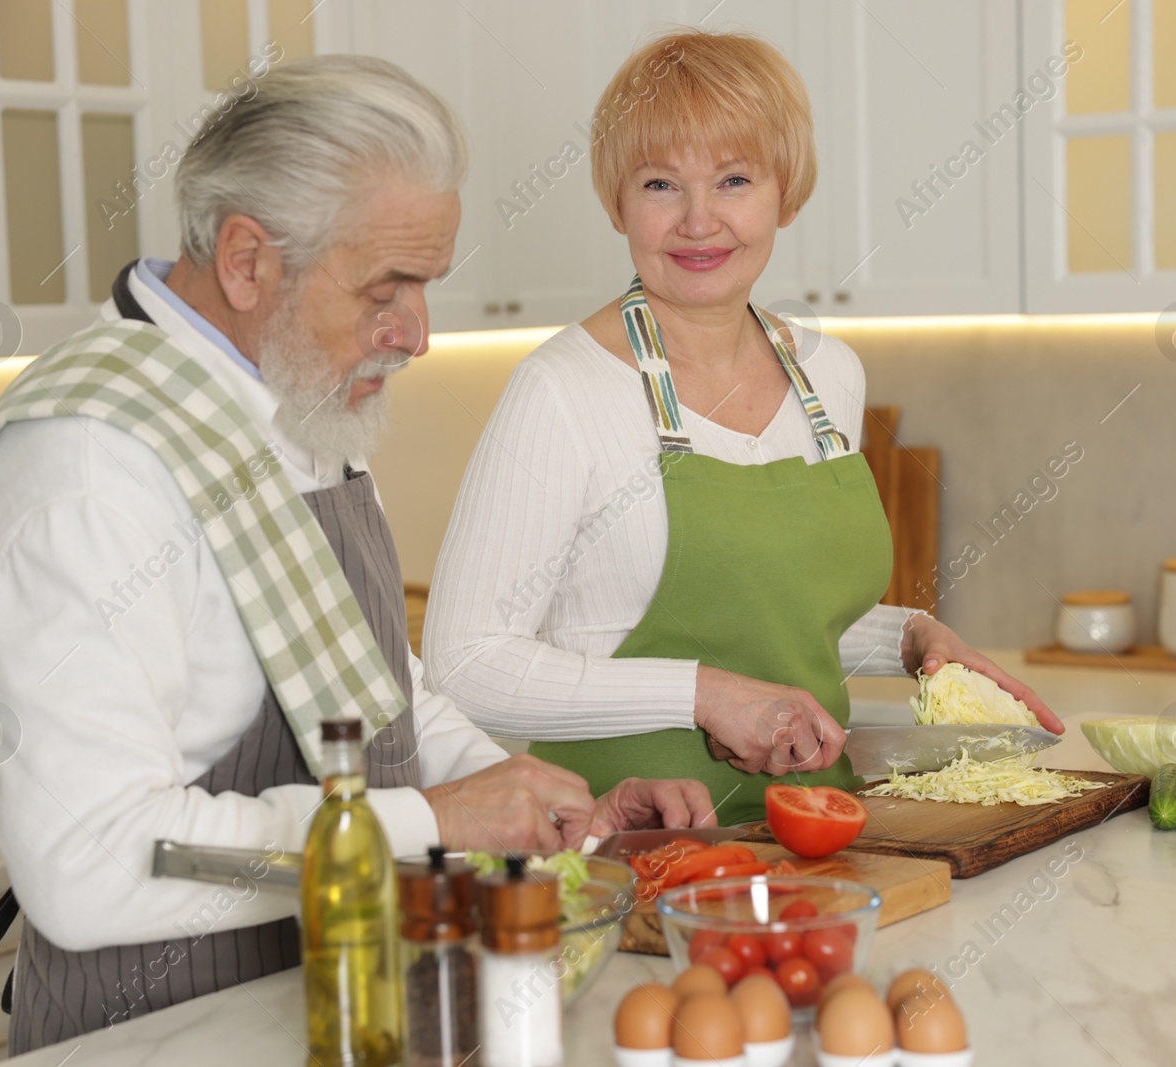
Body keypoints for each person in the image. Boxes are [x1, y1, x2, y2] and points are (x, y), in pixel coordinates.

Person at [0, 56, 711, 1053]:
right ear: (247, 260)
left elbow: (368, 687)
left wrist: (526, 797)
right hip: (164, 1034)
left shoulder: (294, 401)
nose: (416, 333)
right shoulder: (84, 466)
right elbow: (90, 866)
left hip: (338, 1007)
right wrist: (441, 817)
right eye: (388, 286)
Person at [422, 31, 1062, 827]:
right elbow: (464, 661)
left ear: (784, 192)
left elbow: (779, 618)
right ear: (617, 199)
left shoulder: (830, 376)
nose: (699, 221)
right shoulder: (562, 390)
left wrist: (910, 638)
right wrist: (703, 693)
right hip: (624, 853)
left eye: (733, 179)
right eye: (660, 184)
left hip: (814, 832)